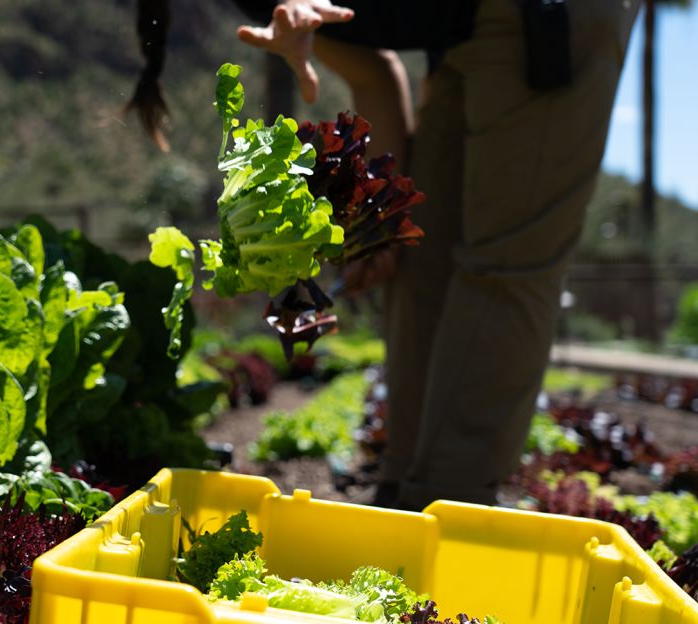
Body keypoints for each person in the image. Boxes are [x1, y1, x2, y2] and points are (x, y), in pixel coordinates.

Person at [226, 0, 640, 510]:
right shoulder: (276, 8)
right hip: (463, 28)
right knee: (420, 253)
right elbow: (377, 72)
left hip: (553, 16)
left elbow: (378, 70)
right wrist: (379, 226)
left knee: (504, 270)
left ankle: (452, 508)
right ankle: (402, 495)